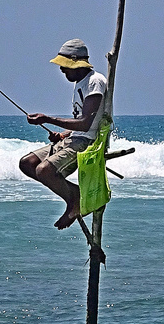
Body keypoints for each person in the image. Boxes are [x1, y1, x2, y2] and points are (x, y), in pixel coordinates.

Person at [19, 39, 108, 230]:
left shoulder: (95, 82)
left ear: (77, 63)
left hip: (87, 142)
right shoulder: (79, 83)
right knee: (27, 163)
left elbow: (86, 124)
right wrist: (63, 134)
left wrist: (48, 119)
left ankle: (74, 199)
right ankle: (73, 194)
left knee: (44, 170)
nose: (62, 70)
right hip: (74, 138)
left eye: (65, 66)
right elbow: (80, 123)